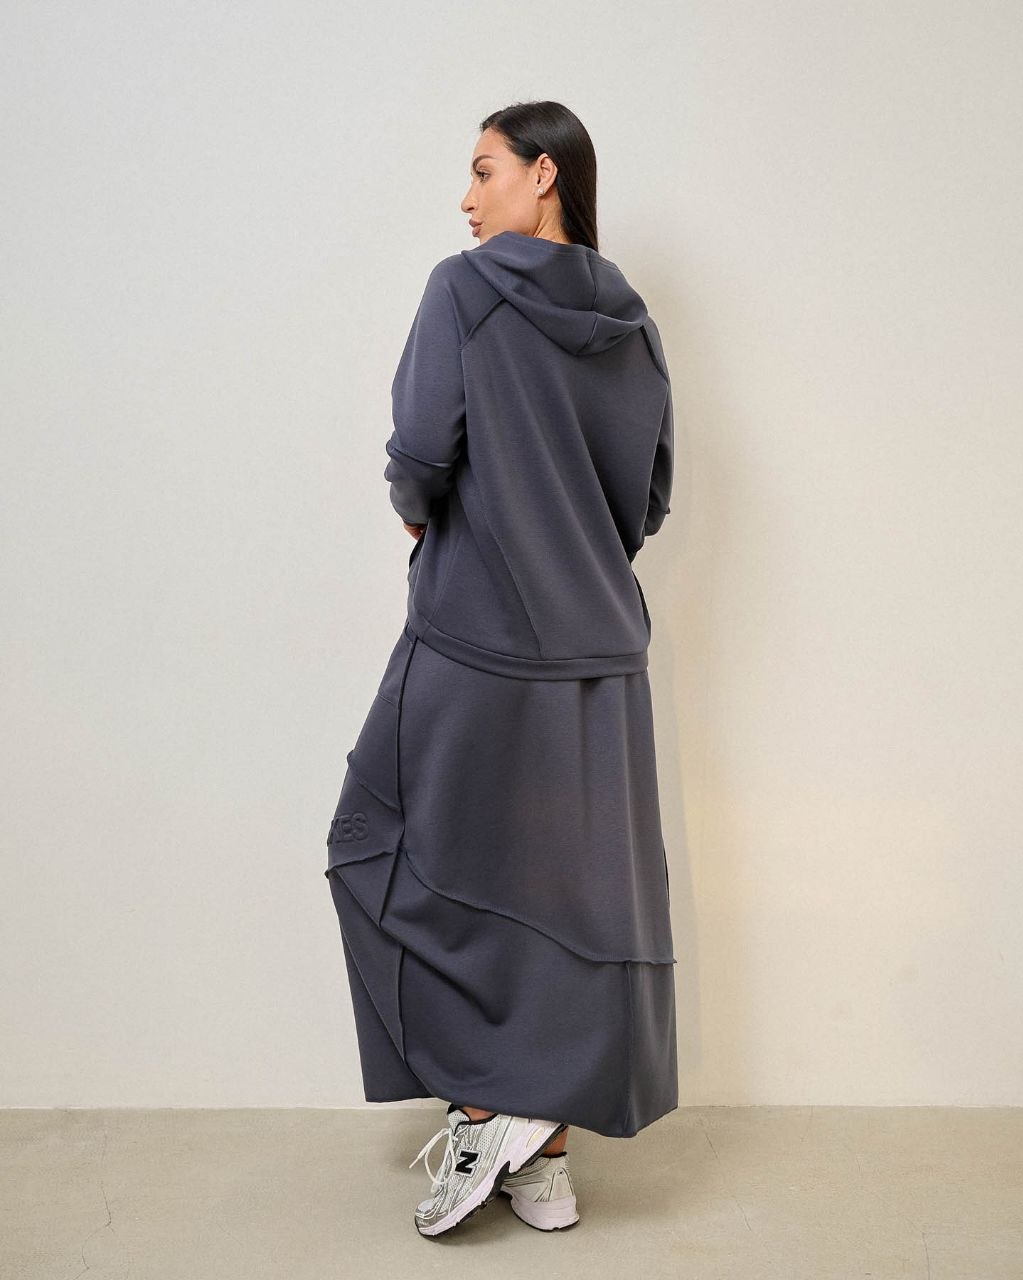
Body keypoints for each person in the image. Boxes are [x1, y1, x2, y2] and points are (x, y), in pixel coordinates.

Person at [324, 99, 677, 1239]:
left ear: (542, 174)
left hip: (476, 633)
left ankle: (488, 1113)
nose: (467, 199)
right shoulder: (631, 319)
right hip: (600, 648)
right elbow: (647, 498)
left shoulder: (463, 289)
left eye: (483, 171)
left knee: (385, 848)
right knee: (560, 894)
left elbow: (421, 448)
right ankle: (545, 1159)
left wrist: (422, 512)